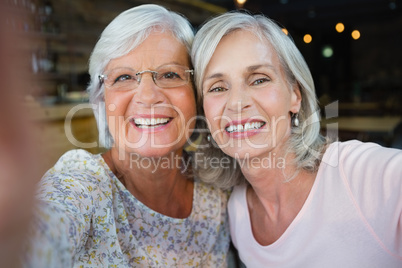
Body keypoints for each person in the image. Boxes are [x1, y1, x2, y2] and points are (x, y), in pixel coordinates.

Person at [23, 5, 230, 267]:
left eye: (169, 74)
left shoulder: (217, 187)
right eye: (123, 77)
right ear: (101, 99)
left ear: (196, 94)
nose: (148, 96)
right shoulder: (84, 186)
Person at [191, 11, 402, 267]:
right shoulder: (236, 212)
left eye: (259, 80)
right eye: (218, 88)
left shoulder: (364, 177)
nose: (236, 103)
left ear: (295, 95)